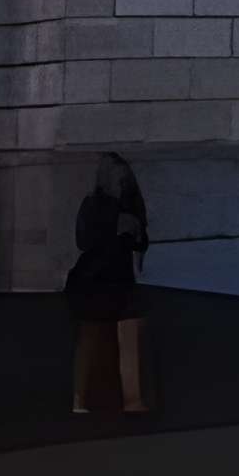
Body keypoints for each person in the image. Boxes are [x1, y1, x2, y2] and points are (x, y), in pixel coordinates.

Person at [64, 152, 150, 415]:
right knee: (90, 339)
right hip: (96, 279)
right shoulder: (94, 204)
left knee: (128, 336)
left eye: (124, 179)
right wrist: (116, 229)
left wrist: (135, 231)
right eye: (117, 178)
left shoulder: (129, 204)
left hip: (120, 278)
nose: (121, 183)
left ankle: (132, 400)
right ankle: (80, 399)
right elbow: (84, 241)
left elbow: (141, 243)